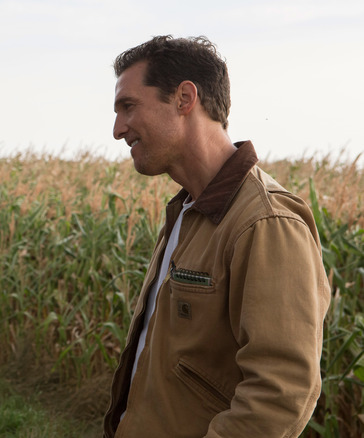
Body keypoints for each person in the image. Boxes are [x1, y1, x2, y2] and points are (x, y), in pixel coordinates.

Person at [102, 36, 330, 437]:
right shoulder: (188, 211)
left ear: (184, 98)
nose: (118, 129)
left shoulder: (266, 222)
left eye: (128, 107)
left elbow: (280, 392)